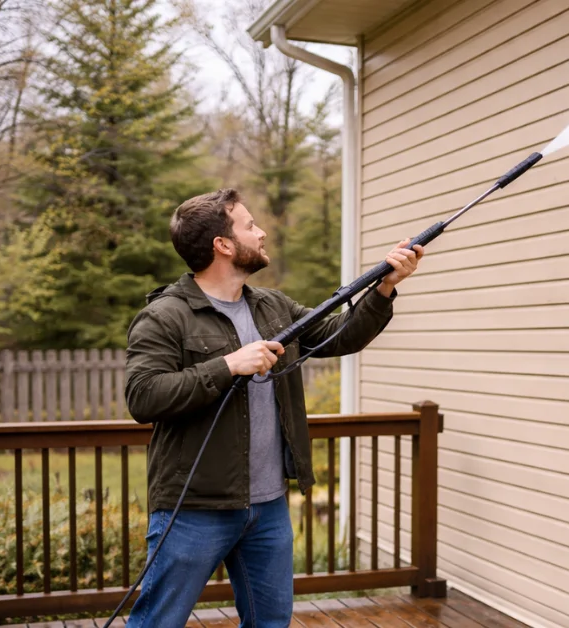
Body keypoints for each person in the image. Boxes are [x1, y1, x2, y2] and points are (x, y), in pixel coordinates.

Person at [122, 188, 423, 627]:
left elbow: (341, 336)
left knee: (271, 622)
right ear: (222, 245)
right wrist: (228, 365)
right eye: (249, 225)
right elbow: (144, 396)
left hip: (268, 508)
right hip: (193, 509)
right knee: (158, 622)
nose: (261, 233)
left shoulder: (272, 306)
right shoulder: (166, 316)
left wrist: (385, 286)